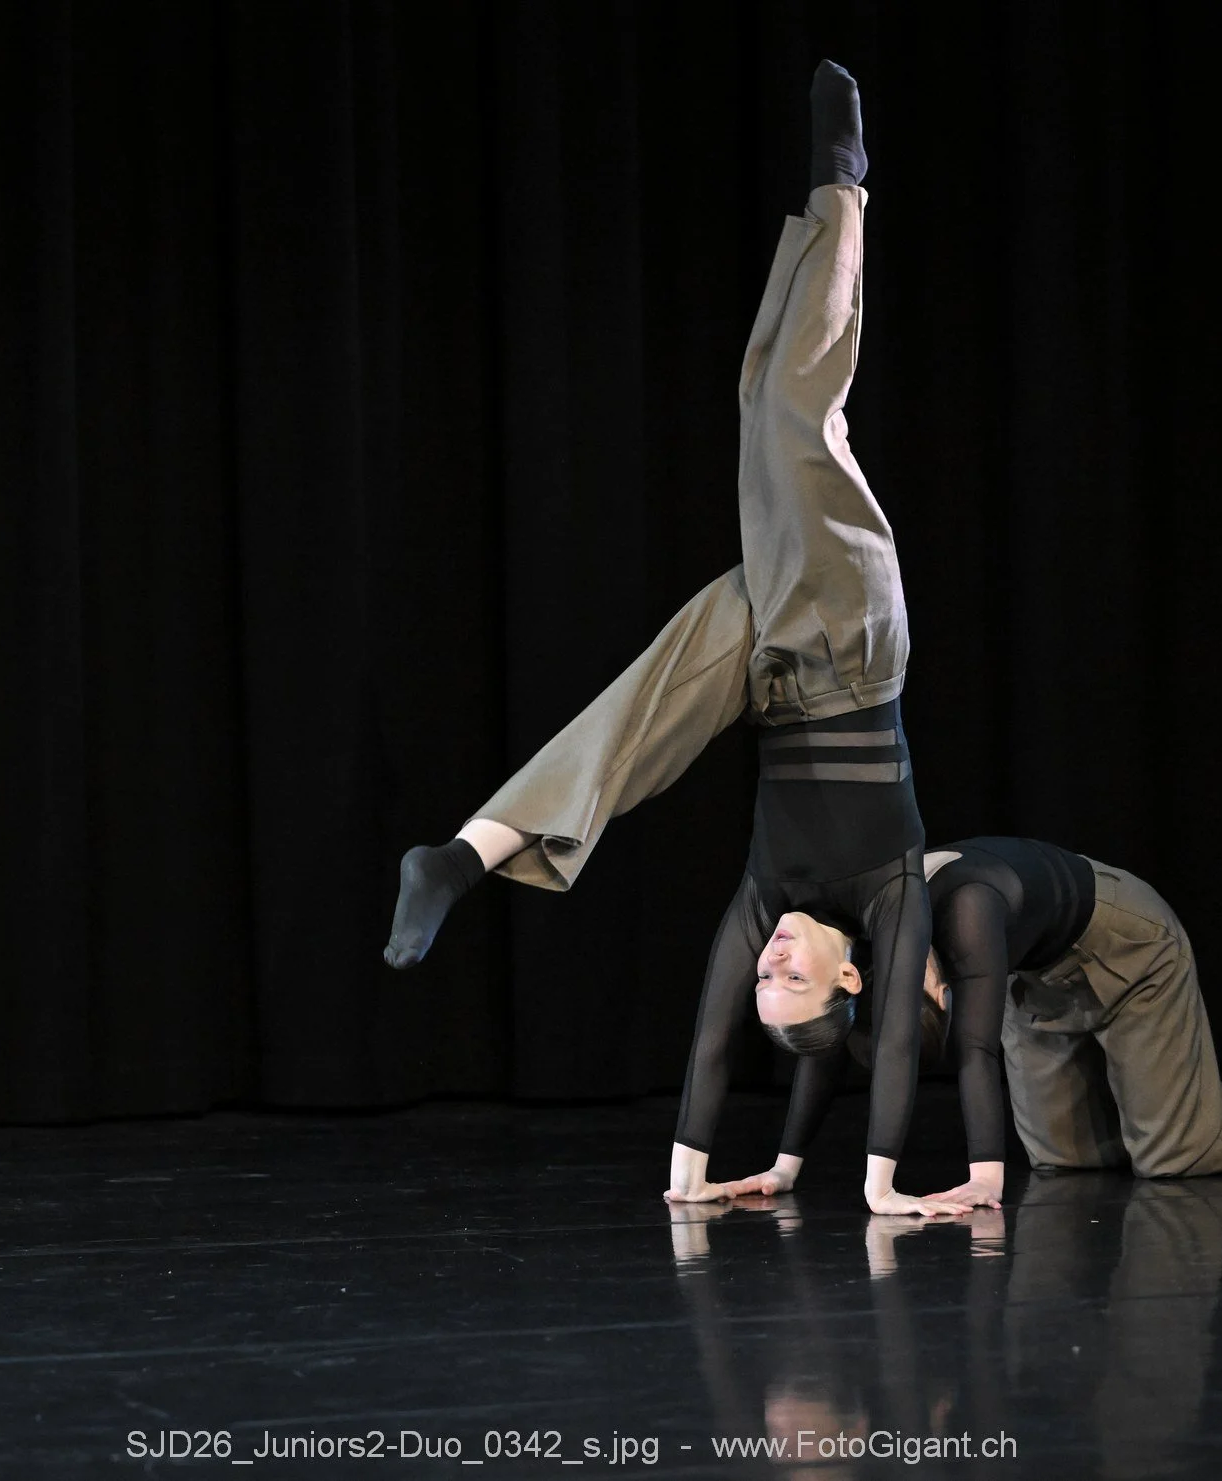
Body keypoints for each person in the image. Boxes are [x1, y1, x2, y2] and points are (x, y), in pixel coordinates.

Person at [384, 62, 960, 1218]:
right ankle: (843, 188)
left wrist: (688, 1185)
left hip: (764, 669)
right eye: (794, 979)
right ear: (848, 970)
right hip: (849, 640)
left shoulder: (759, 898)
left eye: (764, 983)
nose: (770, 963)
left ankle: (462, 854)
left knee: (745, 431)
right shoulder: (892, 897)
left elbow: (705, 1045)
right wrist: (885, 1188)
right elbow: (899, 1043)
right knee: (793, 415)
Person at [726, 838, 1222, 1213]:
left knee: (1172, 1155)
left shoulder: (945, 914)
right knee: (1063, 1159)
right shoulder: (855, 960)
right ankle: (1140, 1103)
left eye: (777, 978)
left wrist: (985, 1179)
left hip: (1124, 945)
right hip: (1034, 978)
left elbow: (976, 1049)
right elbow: (826, 1043)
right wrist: (784, 1168)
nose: (774, 964)